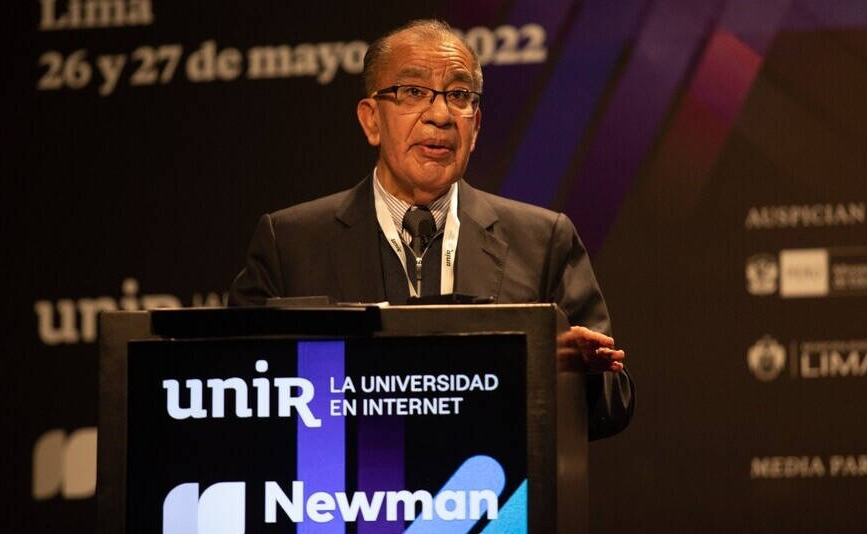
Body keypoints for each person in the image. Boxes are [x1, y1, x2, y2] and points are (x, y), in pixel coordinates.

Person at [230, 19, 633, 439]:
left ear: (475, 126)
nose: (440, 115)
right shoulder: (290, 243)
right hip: (339, 495)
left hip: (490, 492)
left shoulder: (543, 240)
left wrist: (574, 373)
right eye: (413, 92)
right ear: (371, 120)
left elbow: (612, 403)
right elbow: (230, 388)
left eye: (458, 95)